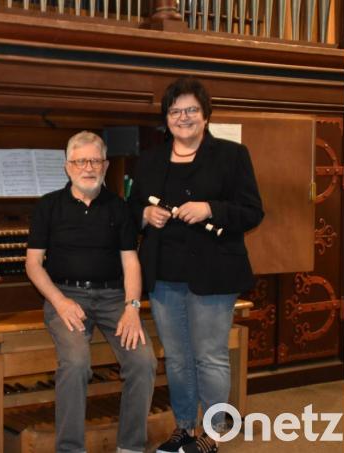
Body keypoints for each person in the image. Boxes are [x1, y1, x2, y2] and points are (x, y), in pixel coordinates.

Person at [127, 76, 264, 453]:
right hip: (164, 273)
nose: (183, 117)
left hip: (214, 273)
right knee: (177, 358)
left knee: (210, 357)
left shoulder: (232, 155)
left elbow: (252, 212)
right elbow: (131, 208)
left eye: (191, 110)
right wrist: (145, 215)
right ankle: (184, 428)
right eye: (175, 111)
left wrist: (210, 209)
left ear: (205, 115)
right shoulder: (150, 159)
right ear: (166, 117)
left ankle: (213, 433)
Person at [26, 131, 157, 453]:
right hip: (66, 296)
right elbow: (33, 264)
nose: (88, 167)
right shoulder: (48, 206)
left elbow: (130, 262)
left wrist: (132, 307)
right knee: (75, 363)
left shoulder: (119, 207)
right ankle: (70, 448)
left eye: (95, 161)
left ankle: (131, 446)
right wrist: (60, 302)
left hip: (114, 298)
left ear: (106, 165)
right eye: (81, 161)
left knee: (143, 362)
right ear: (67, 166)